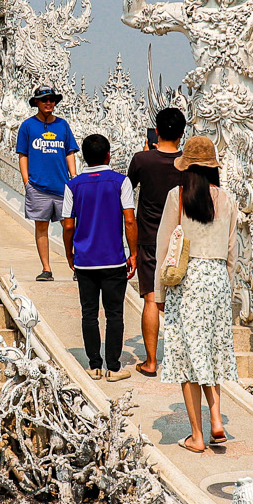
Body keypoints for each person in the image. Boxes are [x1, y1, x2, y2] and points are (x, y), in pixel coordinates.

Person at [152, 135, 238, 453]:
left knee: (186, 357)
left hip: (186, 280)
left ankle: (198, 437)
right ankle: (216, 418)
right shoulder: (226, 199)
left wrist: (159, 291)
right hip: (216, 279)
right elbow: (233, 252)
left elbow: (165, 245)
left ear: (186, 168)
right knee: (212, 351)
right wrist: (226, 291)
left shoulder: (179, 195)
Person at [67, 133, 138, 380]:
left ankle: (94, 365)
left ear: (84, 157)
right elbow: (129, 220)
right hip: (114, 259)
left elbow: (68, 225)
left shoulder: (73, 185)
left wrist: (69, 254)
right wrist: (134, 253)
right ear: (108, 154)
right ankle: (114, 368)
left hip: (85, 261)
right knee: (114, 313)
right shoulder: (121, 181)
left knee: (89, 313)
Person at [127, 107, 191, 375]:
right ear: (182, 133)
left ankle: (151, 362)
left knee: (151, 299)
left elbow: (126, 192)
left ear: (156, 129)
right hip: (183, 241)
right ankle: (182, 362)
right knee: (184, 300)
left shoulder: (142, 160)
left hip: (150, 238)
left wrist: (146, 151)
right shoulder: (188, 163)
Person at [15, 87, 79, 281]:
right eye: (44, 100)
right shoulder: (28, 126)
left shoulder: (62, 125)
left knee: (70, 227)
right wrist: (27, 182)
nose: (48, 103)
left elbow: (69, 152)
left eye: (51, 100)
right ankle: (46, 268)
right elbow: (23, 155)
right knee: (41, 227)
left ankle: (77, 266)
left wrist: (74, 176)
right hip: (38, 186)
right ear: (36, 103)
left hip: (62, 185)